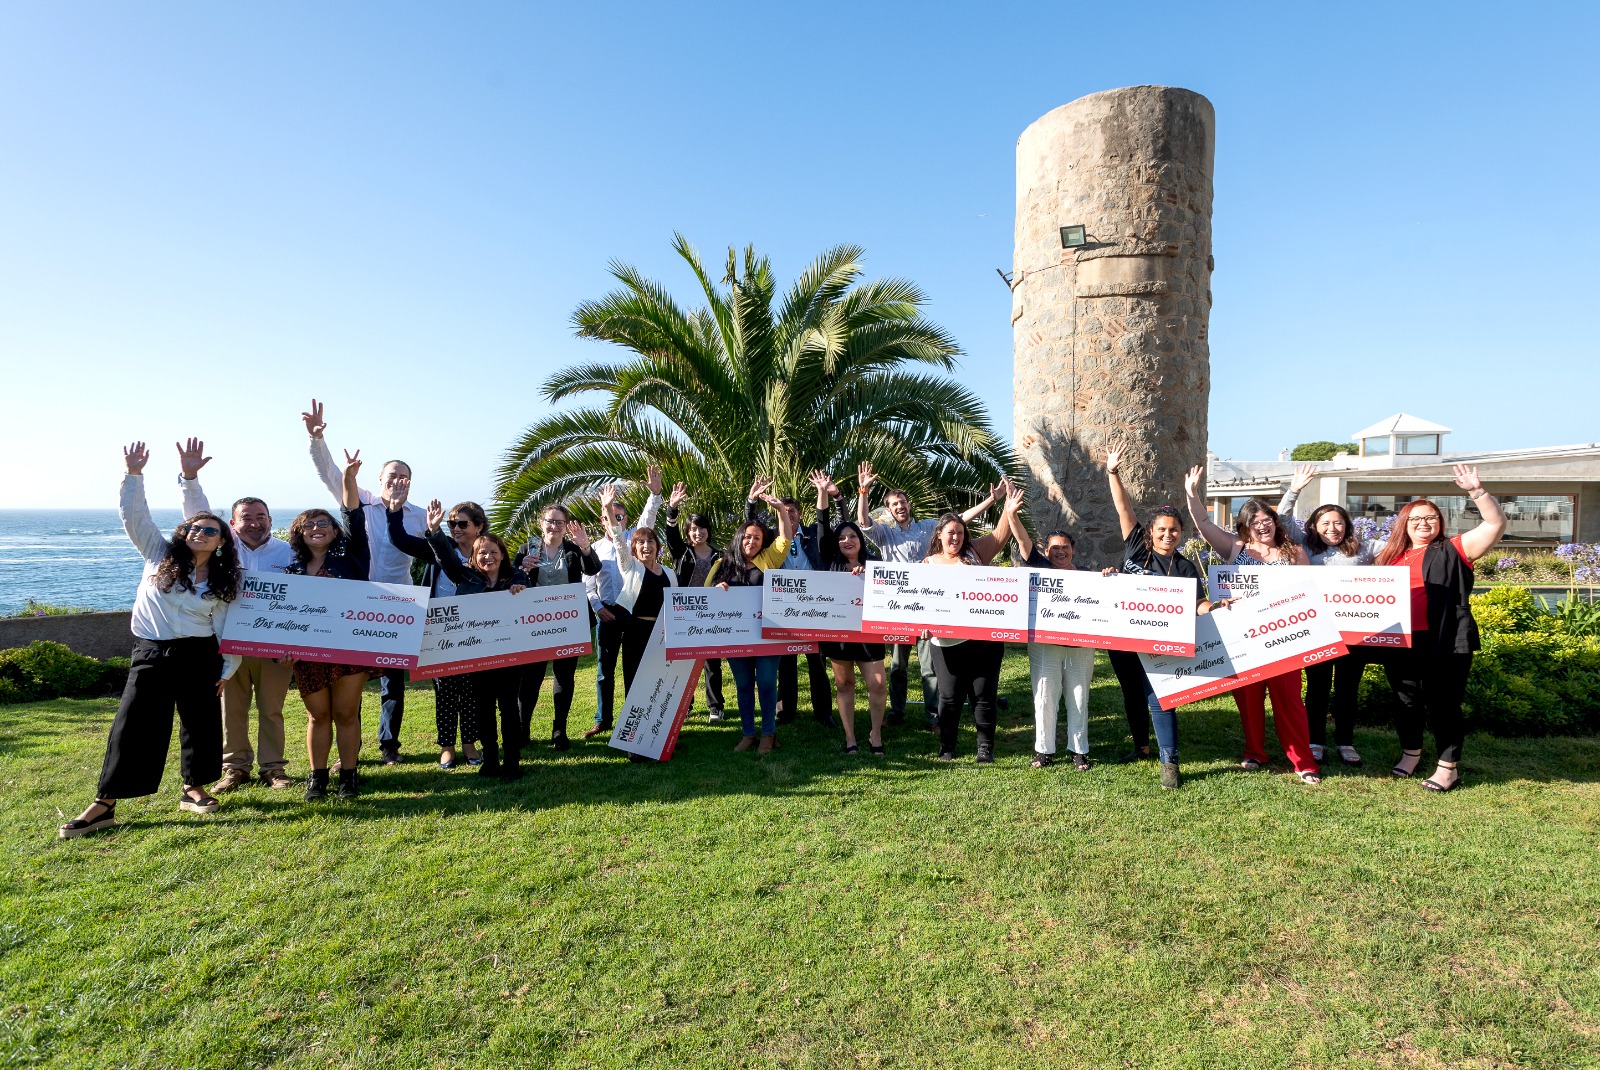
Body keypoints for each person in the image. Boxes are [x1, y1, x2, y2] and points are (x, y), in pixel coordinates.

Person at [60, 442, 243, 838]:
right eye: (195, 527)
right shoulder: (158, 553)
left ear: (221, 542)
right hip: (152, 651)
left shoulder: (223, 579)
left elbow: (226, 627)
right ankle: (105, 802)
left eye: (210, 530)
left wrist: (229, 666)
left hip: (200, 653)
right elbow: (134, 516)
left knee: (201, 722)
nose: (200, 531)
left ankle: (193, 789)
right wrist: (134, 475)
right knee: (134, 724)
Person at [303, 398, 426, 766]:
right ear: (380, 480)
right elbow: (331, 475)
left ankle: (389, 744)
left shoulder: (418, 516)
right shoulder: (361, 504)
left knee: (393, 680)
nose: (397, 483)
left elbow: (440, 549)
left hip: (398, 603)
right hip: (354, 602)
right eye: (392, 477)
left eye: (404, 478)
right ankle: (349, 751)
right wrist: (316, 440)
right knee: (349, 681)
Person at [1184, 464, 1322, 785]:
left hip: (1285, 636)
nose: (1263, 526)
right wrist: (1192, 494)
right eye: (1255, 522)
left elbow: (1309, 593)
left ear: (1275, 522)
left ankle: (1303, 762)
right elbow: (1203, 523)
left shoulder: (1295, 551)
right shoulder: (1236, 549)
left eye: (1267, 520)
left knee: (1289, 700)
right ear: (1245, 526)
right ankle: (1255, 752)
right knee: (1249, 699)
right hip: (1244, 637)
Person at [175, 438, 298, 791]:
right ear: (232, 522)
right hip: (228, 641)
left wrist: (296, 644)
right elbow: (196, 515)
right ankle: (235, 768)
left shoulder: (288, 554)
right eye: (247, 517)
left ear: (271, 520)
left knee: (272, 711)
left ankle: (274, 768)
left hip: (274, 645)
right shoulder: (221, 548)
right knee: (232, 709)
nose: (255, 522)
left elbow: (304, 603)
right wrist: (189, 478)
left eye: (261, 517)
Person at [1374, 467, 1506, 792]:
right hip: (1401, 642)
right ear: (1404, 523)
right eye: (1416, 518)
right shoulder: (1389, 558)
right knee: (1406, 700)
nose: (1424, 523)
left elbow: (1495, 524)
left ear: (1440, 522)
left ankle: (1448, 768)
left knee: (1444, 704)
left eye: (1431, 517)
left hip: (1445, 641)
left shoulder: (1455, 549)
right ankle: (1411, 753)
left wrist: (1477, 491)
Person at [856, 461, 1001, 728]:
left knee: (928, 667)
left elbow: (960, 520)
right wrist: (863, 492)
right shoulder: (885, 534)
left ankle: (933, 716)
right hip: (898, 608)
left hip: (927, 607)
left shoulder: (928, 528)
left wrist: (991, 499)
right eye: (894, 504)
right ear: (888, 510)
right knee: (898, 666)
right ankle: (897, 713)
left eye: (903, 502)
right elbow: (863, 522)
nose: (900, 506)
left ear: (909, 504)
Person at [1103, 445, 1216, 789]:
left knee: (1159, 697)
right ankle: (1141, 747)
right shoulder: (1137, 546)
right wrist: (1113, 472)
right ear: (1150, 530)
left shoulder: (1184, 567)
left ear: (1182, 533)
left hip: (1161, 643)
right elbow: (1123, 507)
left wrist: (1216, 608)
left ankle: (1170, 760)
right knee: (1131, 693)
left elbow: (1198, 604)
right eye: (1162, 529)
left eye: (1174, 531)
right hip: (1123, 636)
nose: (1168, 535)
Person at [1276, 464, 1389, 767]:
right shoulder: (1305, 546)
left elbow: (1398, 549)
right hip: (1317, 630)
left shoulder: (1364, 548)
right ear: (1314, 526)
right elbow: (1283, 519)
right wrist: (1295, 488)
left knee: (1347, 690)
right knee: (1317, 688)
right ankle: (1315, 741)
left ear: (1346, 525)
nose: (1332, 529)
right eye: (1325, 523)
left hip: (1355, 632)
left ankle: (1345, 741)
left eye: (1338, 523)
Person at [285, 451, 373, 800]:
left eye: (324, 523)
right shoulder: (291, 572)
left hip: (350, 648)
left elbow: (354, 515)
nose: (317, 528)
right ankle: (317, 778)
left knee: (345, 713)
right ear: (299, 533)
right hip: (308, 654)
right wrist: (282, 649)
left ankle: (348, 776)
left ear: (335, 531)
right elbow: (283, 619)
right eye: (309, 524)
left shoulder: (352, 557)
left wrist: (348, 480)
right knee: (318, 716)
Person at [422, 510, 533, 779]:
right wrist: (436, 532)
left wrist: (521, 588)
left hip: (510, 657)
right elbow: (446, 558)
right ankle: (491, 760)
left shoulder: (517, 578)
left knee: (508, 708)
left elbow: (531, 607)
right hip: (477, 657)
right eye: (482, 553)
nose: (488, 557)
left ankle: (512, 761)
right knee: (483, 709)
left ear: (503, 555)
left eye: (494, 552)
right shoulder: (466, 577)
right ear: (474, 557)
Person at [387, 498, 491, 768]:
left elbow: (507, 574)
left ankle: (469, 743)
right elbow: (399, 539)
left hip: (475, 631)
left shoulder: (487, 551)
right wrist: (395, 510)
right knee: (444, 691)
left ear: (479, 526)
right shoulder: (438, 547)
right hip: (438, 630)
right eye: (451, 524)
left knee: (470, 690)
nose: (455, 528)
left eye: (462, 524)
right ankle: (447, 746)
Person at [923, 481, 1022, 763]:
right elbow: (917, 602)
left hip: (984, 640)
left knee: (983, 695)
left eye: (960, 533)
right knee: (950, 697)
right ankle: (947, 747)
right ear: (939, 535)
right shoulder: (927, 564)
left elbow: (1001, 536)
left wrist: (1007, 508)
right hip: (945, 643)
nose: (955, 538)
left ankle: (984, 748)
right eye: (950, 533)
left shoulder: (975, 553)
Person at [706, 486, 797, 754]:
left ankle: (768, 734)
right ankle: (748, 734)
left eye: (757, 538)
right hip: (736, 637)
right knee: (744, 685)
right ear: (739, 539)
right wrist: (715, 592)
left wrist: (781, 510)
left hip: (768, 634)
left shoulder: (769, 558)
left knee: (767, 683)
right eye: (747, 537)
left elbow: (785, 539)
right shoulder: (721, 565)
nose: (752, 542)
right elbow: (704, 600)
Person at [581, 466, 663, 738]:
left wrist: (654, 495)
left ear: (626, 519)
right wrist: (598, 608)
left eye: (620, 516)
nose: (615, 520)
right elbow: (588, 586)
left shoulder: (633, 541)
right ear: (602, 519)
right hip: (606, 614)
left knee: (635, 669)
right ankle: (603, 719)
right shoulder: (593, 548)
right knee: (605, 671)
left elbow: (648, 519)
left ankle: (634, 715)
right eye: (609, 516)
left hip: (635, 616)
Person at [513, 505, 601, 751]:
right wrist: (522, 570)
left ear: (566, 526)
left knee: (564, 677)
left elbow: (593, 569)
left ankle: (559, 730)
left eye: (559, 522)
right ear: (541, 523)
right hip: (533, 624)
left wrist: (585, 546)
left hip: (568, 623)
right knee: (530, 678)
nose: (554, 526)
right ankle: (523, 729)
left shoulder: (573, 550)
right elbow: (511, 580)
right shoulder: (527, 548)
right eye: (550, 521)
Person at [1012, 521, 1094, 771]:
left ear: (1073, 550)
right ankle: (1043, 750)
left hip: (1080, 647)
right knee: (1045, 696)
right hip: (1045, 645)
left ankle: (1079, 750)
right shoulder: (1040, 567)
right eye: (1055, 548)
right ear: (1046, 552)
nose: (1061, 552)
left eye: (1066, 547)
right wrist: (1012, 513)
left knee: (1079, 697)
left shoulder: (1088, 576)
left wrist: (1107, 577)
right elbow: (1024, 542)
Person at [765, 474, 844, 727]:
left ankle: (823, 712)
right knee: (785, 661)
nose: (788, 515)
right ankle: (785, 711)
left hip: (814, 605)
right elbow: (748, 529)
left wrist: (825, 493)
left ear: (799, 513)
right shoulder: (772, 540)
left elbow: (824, 521)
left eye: (792, 511)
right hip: (784, 606)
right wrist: (751, 501)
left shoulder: (812, 535)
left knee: (817, 661)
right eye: (783, 511)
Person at [816, 491, 886, 755]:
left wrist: (870, 577)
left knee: (878, 683)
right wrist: (823, 493)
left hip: (869, 634)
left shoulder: (876, 565)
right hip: (839, 637)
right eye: (842, 537)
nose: (847, 540)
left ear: (860, 540)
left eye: (853, 536)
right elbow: (823, 526)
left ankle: (875, 734)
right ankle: (850, 738)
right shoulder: (830, 563)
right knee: (844, 685)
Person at [600, 483, 678, 698]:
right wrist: (608, 508)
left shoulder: (670, 573)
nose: (646, 546)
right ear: (633, 549)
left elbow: (676, 605)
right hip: (636, 632)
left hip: (662, 635)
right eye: (640, 542)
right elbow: (617, 536)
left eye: (650, 541)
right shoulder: (630, 566)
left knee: (660, 680)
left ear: (657, 545)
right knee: (635, 682)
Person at [663, 483, 725, 722]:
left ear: (708, 531)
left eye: (702, 529)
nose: (698, 533)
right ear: (688, 533)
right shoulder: (682, 553)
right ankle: (685, 705)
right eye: (693, 529)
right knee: (684, 662)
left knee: (712, 663)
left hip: (711, 616)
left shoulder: (719, 556)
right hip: (685, 614)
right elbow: (670, 535)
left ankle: (715, 707)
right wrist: (672, 508)